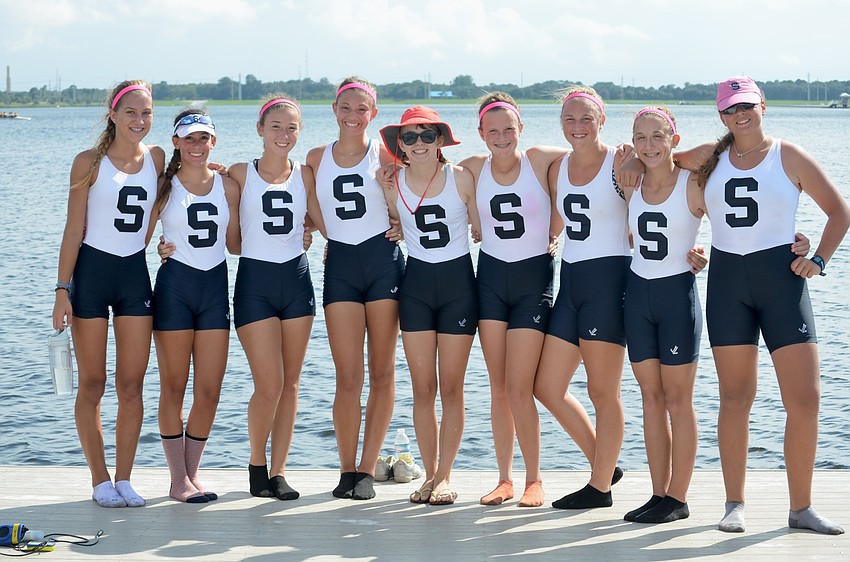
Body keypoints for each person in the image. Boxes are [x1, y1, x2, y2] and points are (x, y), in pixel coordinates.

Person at [695, 76, 848, 534]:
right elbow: (655, 157)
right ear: (720, 114)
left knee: (805, 398)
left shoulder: (789, 155)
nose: (739, 115)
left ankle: (801, 508)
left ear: (762, 105)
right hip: (727, 285)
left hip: (782, 285)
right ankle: (734, 504)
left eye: (746, 106)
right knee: (735, 398)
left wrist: (818, 259)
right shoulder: (709, 156)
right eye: (729, 109)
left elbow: (840, 212)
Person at [52, 80, 164, 508]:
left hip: (135, 275)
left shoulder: (156, 158)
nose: (140, 121)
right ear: (113, 115)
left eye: (147, 113)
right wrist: (62, 290)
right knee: (93, 383)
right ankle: (99, 480)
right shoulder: (88, 162)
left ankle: (125, 478)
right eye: (131, 112)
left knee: (131, 385)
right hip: (91, 278)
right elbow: (72, 230)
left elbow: (179, 190)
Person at [459, 93, 565, 507]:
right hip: (489, 281)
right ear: (481, 133)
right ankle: (503, 478)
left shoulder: (539, 160)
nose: (501, 137)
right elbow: (419, 174)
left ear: (520, 129)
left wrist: (628, 154)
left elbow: (592, 151)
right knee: (499, 388)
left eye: (509, 129)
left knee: (521, 388)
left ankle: (534, 479)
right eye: (493, 130)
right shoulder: (471, 167)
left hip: (532, 281)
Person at [305, 77, 404, 501]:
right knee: (347, 376)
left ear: (373, 114)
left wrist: (398, 212)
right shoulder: (315, 157)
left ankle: (367, 469)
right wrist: (326, 236)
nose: (353, 115)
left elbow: (411, 205)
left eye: (361, 109)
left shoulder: (388, 154)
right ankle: (346, 468)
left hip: (383, 264)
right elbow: (299, 201)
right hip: (342, 266)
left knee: (382, 372)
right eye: (346, 107)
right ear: (334, 109)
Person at [534, 86, 632, 510]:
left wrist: (691, 251)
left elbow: (657, 205)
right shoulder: (557, 168)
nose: (578, 127)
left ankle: (600, 489)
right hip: (570, 282)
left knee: (602, 391)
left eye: (586, 119)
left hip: (609, 283)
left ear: (602, 120)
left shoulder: (623, 162)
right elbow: (555, 218)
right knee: (547, 386)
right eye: (570, 119)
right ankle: (604, 466)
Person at [378, 106, 480, 505]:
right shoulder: (391, 182)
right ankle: (428, 474)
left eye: (426, 135)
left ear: (441, 140)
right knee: (423, 389)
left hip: (458, 287)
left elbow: (485, 226)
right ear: (399, 144)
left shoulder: (461, 179)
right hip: (416, 288)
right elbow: (387, 223)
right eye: (409, 137)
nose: (418, 143)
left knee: (452, 388)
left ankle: (444, 477)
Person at [229, 94, 324, 500]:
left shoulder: (305, 175)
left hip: (297, 282)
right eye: (276, 127)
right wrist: (168, 244)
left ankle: (281, 471)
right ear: (260, 130)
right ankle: (256, 462)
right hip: (254, 284)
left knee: (292, 384)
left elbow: (326, 220)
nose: (284, 135)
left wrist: (393, 214)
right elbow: (226, 237)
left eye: (292, 128)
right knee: (269, 384)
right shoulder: (235, 173)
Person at [148, 109, 240, 503]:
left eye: (204, 138)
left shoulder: (228, 186)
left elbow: (236, 244)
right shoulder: (163, 185)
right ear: (176, 142)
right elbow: (137, 232)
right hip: (175, 289)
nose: (197, 145)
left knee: (210, 390)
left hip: (214, 289)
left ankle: (191, 474)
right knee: (173, 385)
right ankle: (177, 479)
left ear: (213, 142)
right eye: (189, 138)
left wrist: (304, 232)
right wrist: (158, 247)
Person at [621, 107, 705, 523]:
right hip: (638, 295)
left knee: (678, 400)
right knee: (650, 400)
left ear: (674, 137)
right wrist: (634, 159)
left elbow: (732, 229)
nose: (648, 145)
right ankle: (658, 495)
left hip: (676, 296)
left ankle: (679, 496)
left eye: (658, 136)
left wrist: (704, 254)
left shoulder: (693, 183)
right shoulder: (628, 179)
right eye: (641, 137)